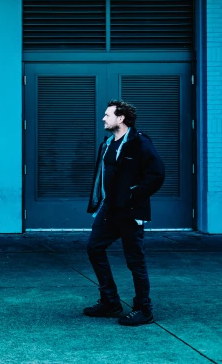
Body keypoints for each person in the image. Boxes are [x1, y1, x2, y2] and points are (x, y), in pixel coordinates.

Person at [82, 100, 165, 326]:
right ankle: (110, 302)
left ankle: (144, 309)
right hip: (109, 210)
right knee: (94, 248)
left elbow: (157, 175)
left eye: (107, 115)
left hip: (130, 211)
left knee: (134, 261)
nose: (103, 119)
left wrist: (132, 194)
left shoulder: (140, 143)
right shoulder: (107, 144)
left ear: (121, 118)